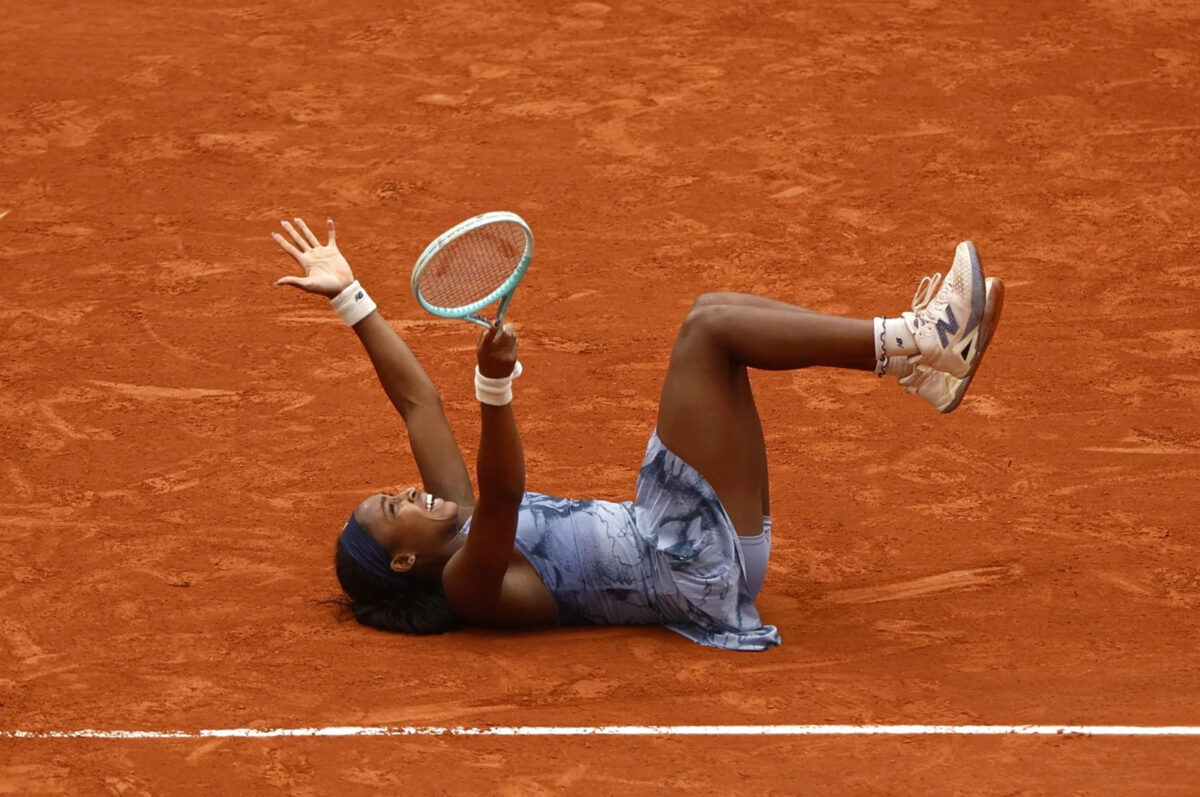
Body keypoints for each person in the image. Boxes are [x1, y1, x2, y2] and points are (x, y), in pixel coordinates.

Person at [272, 217, 1003, 651]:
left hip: (676, 535)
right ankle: (917, 342)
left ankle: (921, 362)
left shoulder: (450, 523)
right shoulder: (470, 586)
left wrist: (349, 294)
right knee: (709, 330)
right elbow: (503, 499)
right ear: (403, 562)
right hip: (685, 564)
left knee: (715, 316)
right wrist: (496, 385)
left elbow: (418, 405)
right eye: (397, 506)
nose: (411, 491)